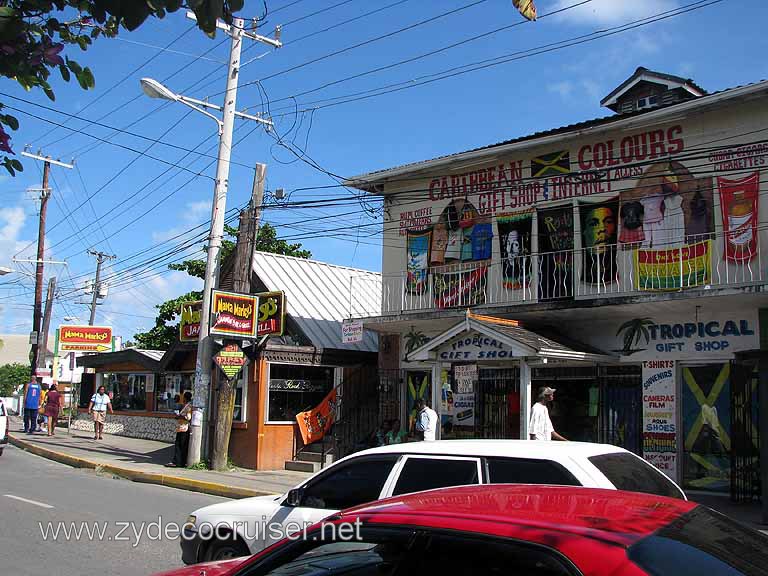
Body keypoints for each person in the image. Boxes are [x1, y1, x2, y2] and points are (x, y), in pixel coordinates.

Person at [167, 391, 193, 468]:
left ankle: (178, 462)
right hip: (181, 427)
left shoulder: (188, 406)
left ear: (185, 398)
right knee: (181, 445)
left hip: (184, 428)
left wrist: (179, 416)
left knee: (180, 446)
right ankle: (180, 462)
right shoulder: (186, 406)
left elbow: (188, 417)